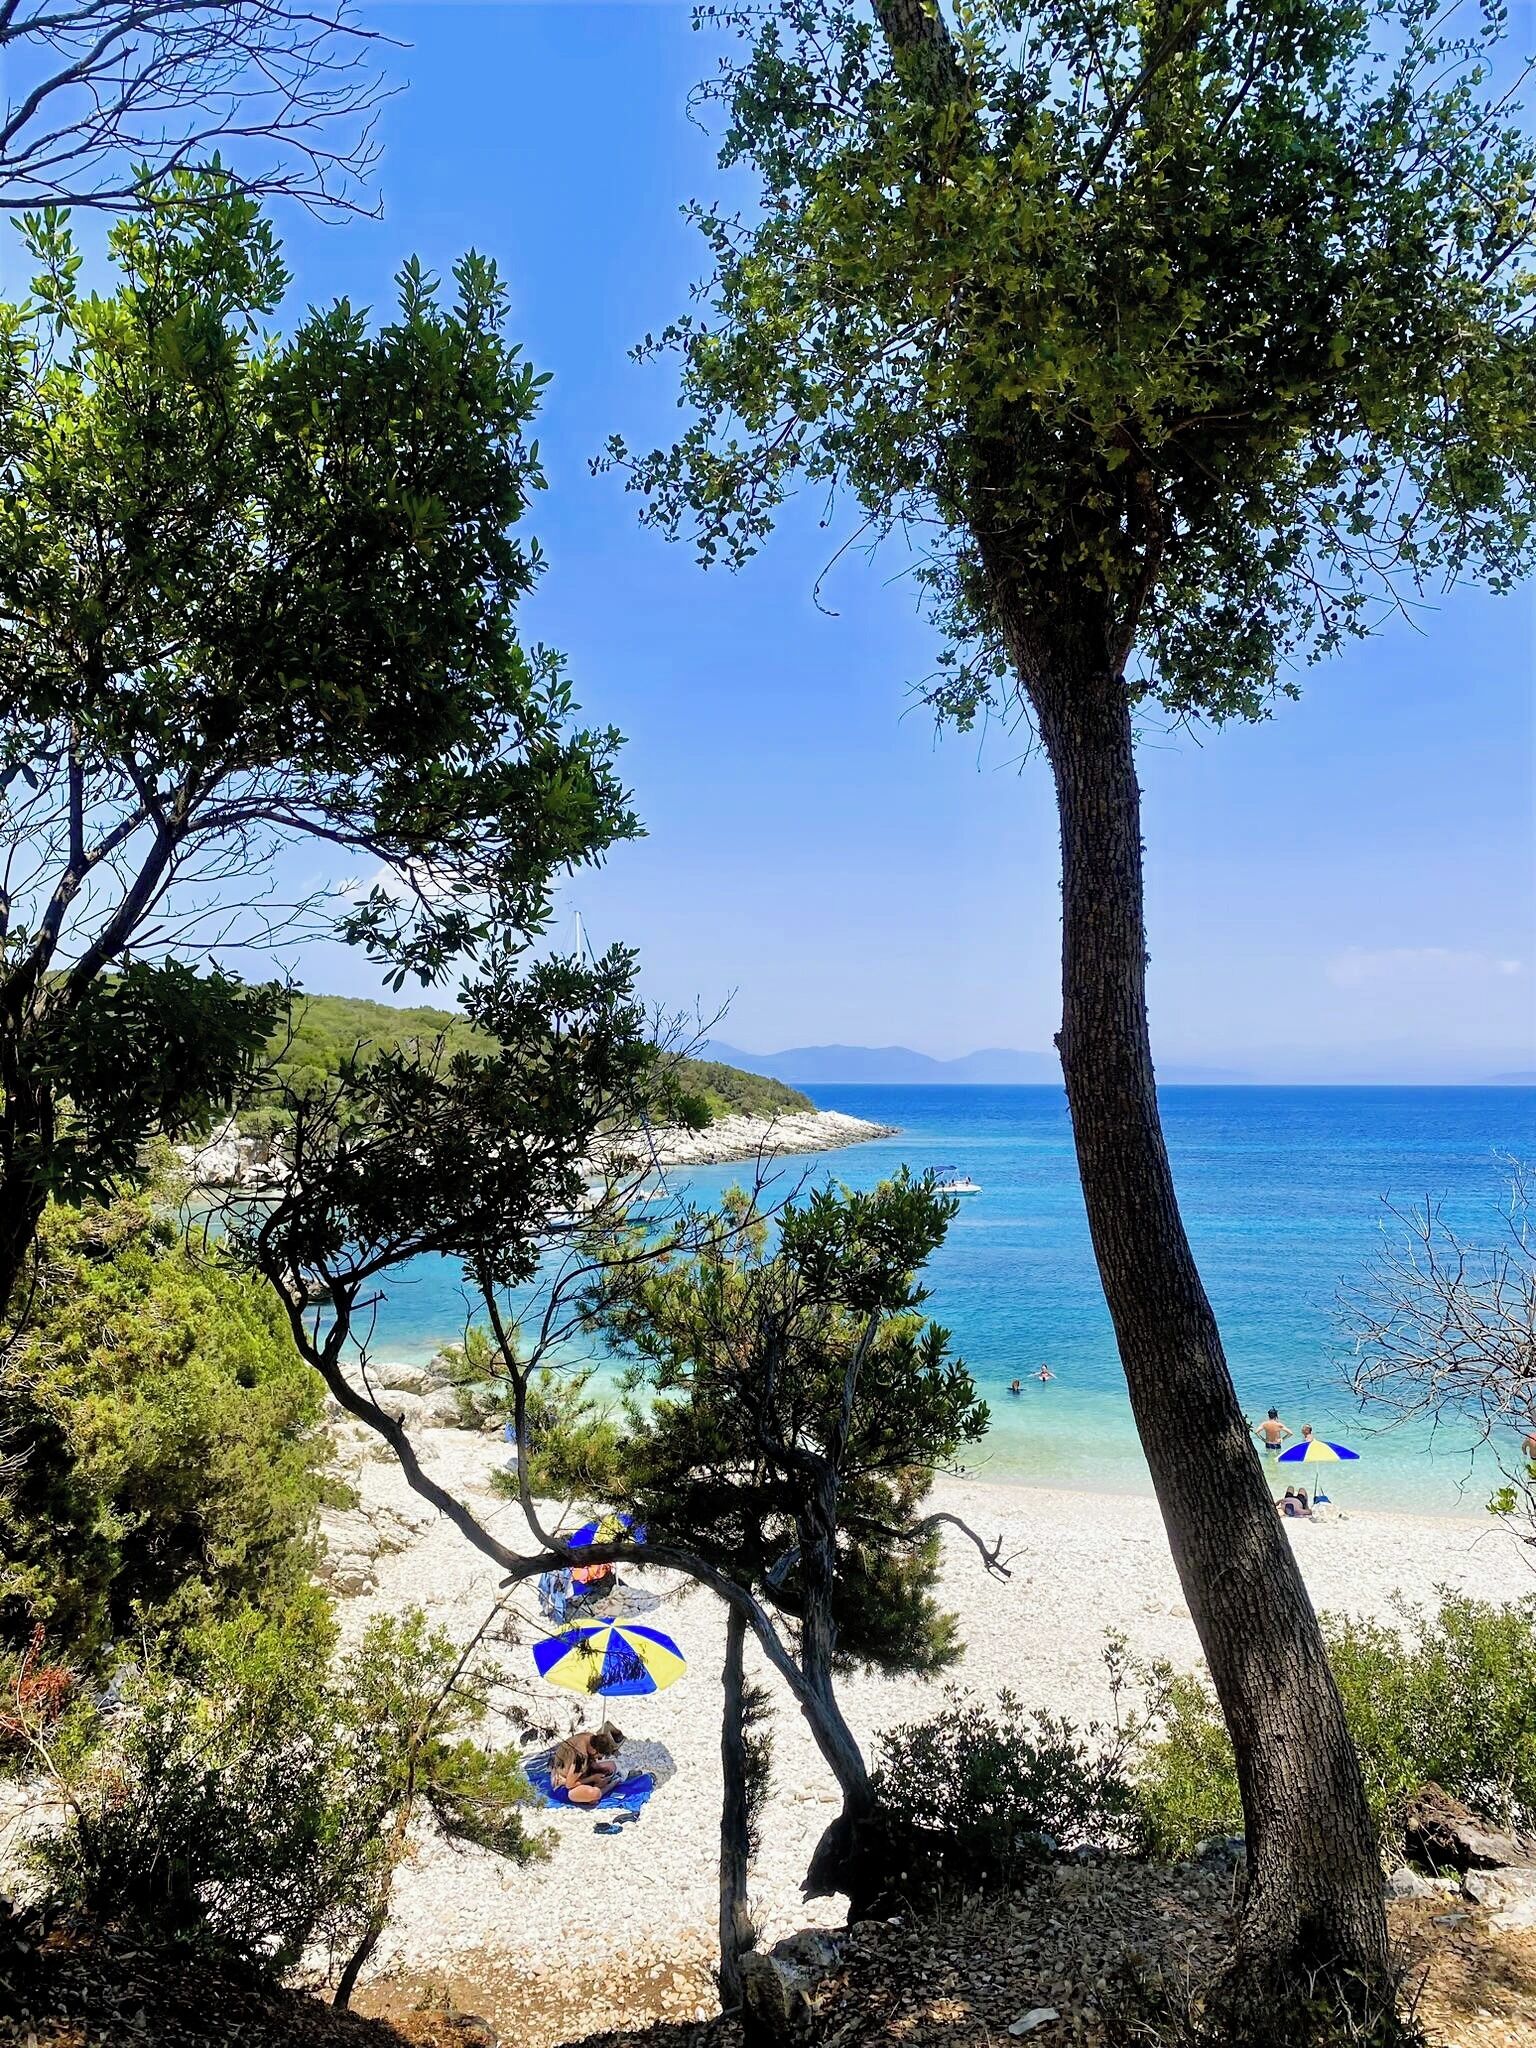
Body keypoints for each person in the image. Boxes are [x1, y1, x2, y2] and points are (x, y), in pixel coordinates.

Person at [551, 1720, 625, 1807]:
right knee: (594, 1793)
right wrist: (593, 1778)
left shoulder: (589, 1737)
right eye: (598, 1756)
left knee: (611, 1766)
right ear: (594, 1750)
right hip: (562, 1786)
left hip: (573, 1772)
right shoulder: (581, 1757)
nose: (598, 1759)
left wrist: (598, 1771)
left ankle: (600, 1785)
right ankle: (606, 1788)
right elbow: (569, 1784)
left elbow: (590, 1763)